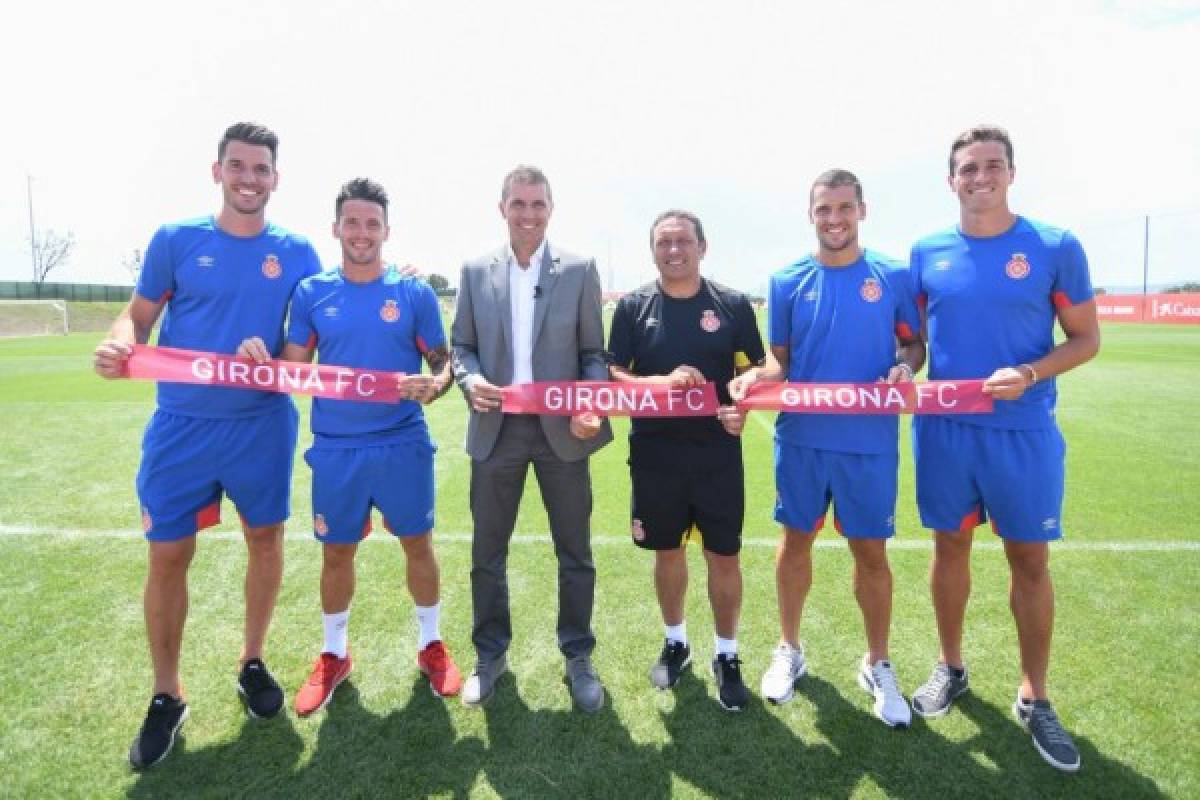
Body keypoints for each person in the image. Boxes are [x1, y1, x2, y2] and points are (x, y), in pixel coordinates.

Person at [93, 123, 322, 769]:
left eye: (261, 169)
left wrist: (270, 357)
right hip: (181, 427)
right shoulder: (176, 239)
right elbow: (137, 317)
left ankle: (252, 659)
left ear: (276, 178)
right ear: (217, 170)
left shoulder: (299, 252)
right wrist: (120, 343)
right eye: (238, 167)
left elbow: (306, 342)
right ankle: (167, 693)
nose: (249, 179)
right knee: (167, 556)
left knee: (265, 542)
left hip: (262, 426)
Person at [907, 125, 1099, 771]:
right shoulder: (926, 251)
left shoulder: (1053, 245)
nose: (979, 177)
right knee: (949, 547)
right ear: (951, 179)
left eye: (991, 166)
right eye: (967, 168)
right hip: (945, 430)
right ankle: (951, 666)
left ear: (1011, 173)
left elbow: (1084, 338)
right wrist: (904, 365)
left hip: (1022, 432)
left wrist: (1031, 374)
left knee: (1029, 561)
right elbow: (913, 341)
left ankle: (1035, 696)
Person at [238, 178, 462, 715]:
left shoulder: (413, 292)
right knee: (337, 552)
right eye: (353, 222)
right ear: (336, 228)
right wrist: (259, 358)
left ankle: (430, 644)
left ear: (387, 230)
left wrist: (437, 384)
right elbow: (292, 370)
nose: (363, 233)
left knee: (418, 545)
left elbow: (444, 361)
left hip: (402, 441)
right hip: (337, 447)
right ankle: (334, 653)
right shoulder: (313, 292)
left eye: (373, 223)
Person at [729, 169, 924, 727]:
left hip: (868, 442)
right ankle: (790, 648)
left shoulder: (891, 274)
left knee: (871, 554)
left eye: (844, 207)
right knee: (795, 544)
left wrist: (903, 368)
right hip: (803, 439)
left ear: (862, 209)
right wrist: (751, 380)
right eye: (823, 209)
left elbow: (913, 347)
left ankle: (878, 662)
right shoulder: (787, 280)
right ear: (811, 213)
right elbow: (778, 362)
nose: (834, 219)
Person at [450, 165, 611, 712]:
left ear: (550, 208)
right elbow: (461, 349)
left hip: (561, 433)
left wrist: (588, 401)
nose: (528, 214)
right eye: (518, 204)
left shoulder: (580, 268)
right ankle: (489, 656)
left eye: (538, 204)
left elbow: (593, 355)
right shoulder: (475, 270)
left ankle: (578, 656)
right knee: (486, 554)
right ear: (502, 209)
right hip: (497, 431)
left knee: (576, 553)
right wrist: (471, 382)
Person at [607, 210, 764, 711]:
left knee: (724, 555)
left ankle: (728, 654)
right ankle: (676, 642)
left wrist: (742, 408)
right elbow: (613, 376)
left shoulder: (733, 305)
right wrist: (660, 382)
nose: (673, 250)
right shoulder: (633, 308)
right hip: (655, 453)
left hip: (717, 453)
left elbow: (755, 375)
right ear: (652, 249)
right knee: (667, 552)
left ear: (703, 245)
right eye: (663, 242)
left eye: (683, 241)